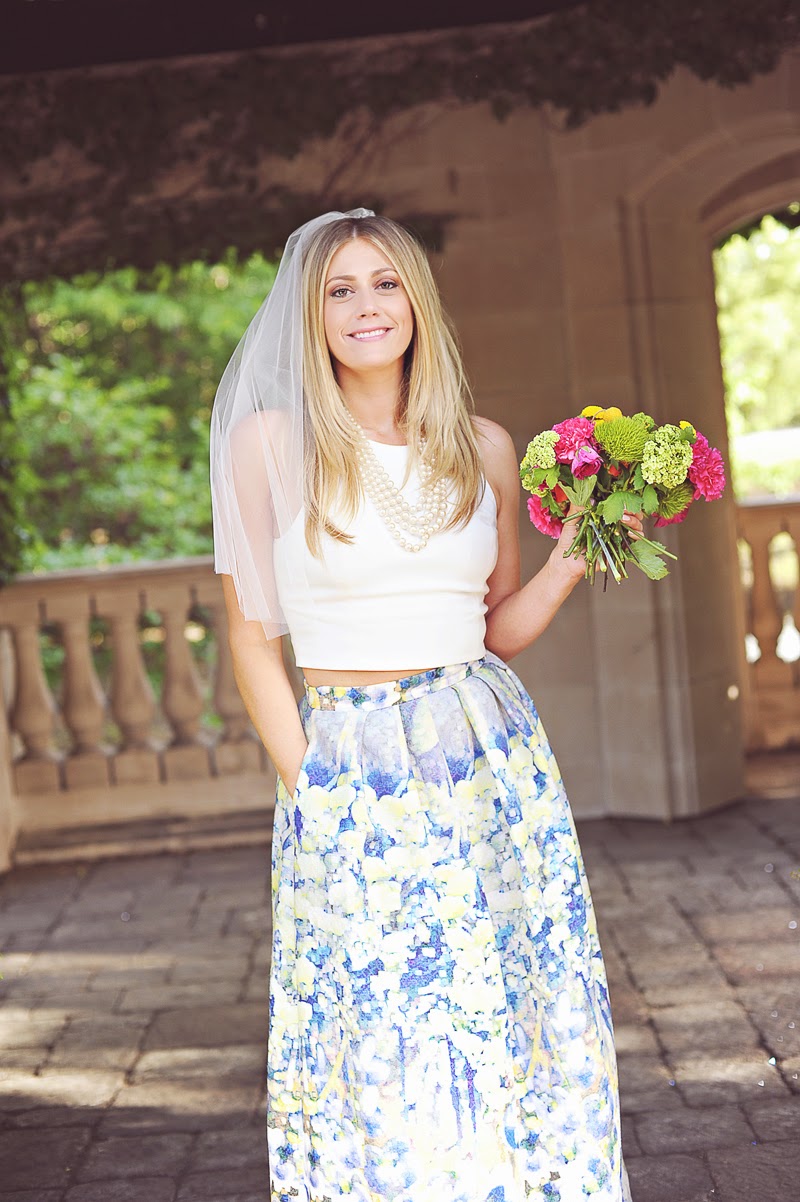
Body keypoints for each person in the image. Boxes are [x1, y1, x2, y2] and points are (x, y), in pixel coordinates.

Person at [211, 209, 634, 1202]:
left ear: (416, 301)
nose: (366, 306)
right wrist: (312, 785)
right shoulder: (269, 444)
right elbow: (249, 639)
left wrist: (576, 552)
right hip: (350, 763)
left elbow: (494, 626)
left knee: (511, 995)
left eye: (385, 283)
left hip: (487, 755)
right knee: (377, 1015)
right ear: (312, 314)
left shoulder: (483, 447)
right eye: (339, 289)